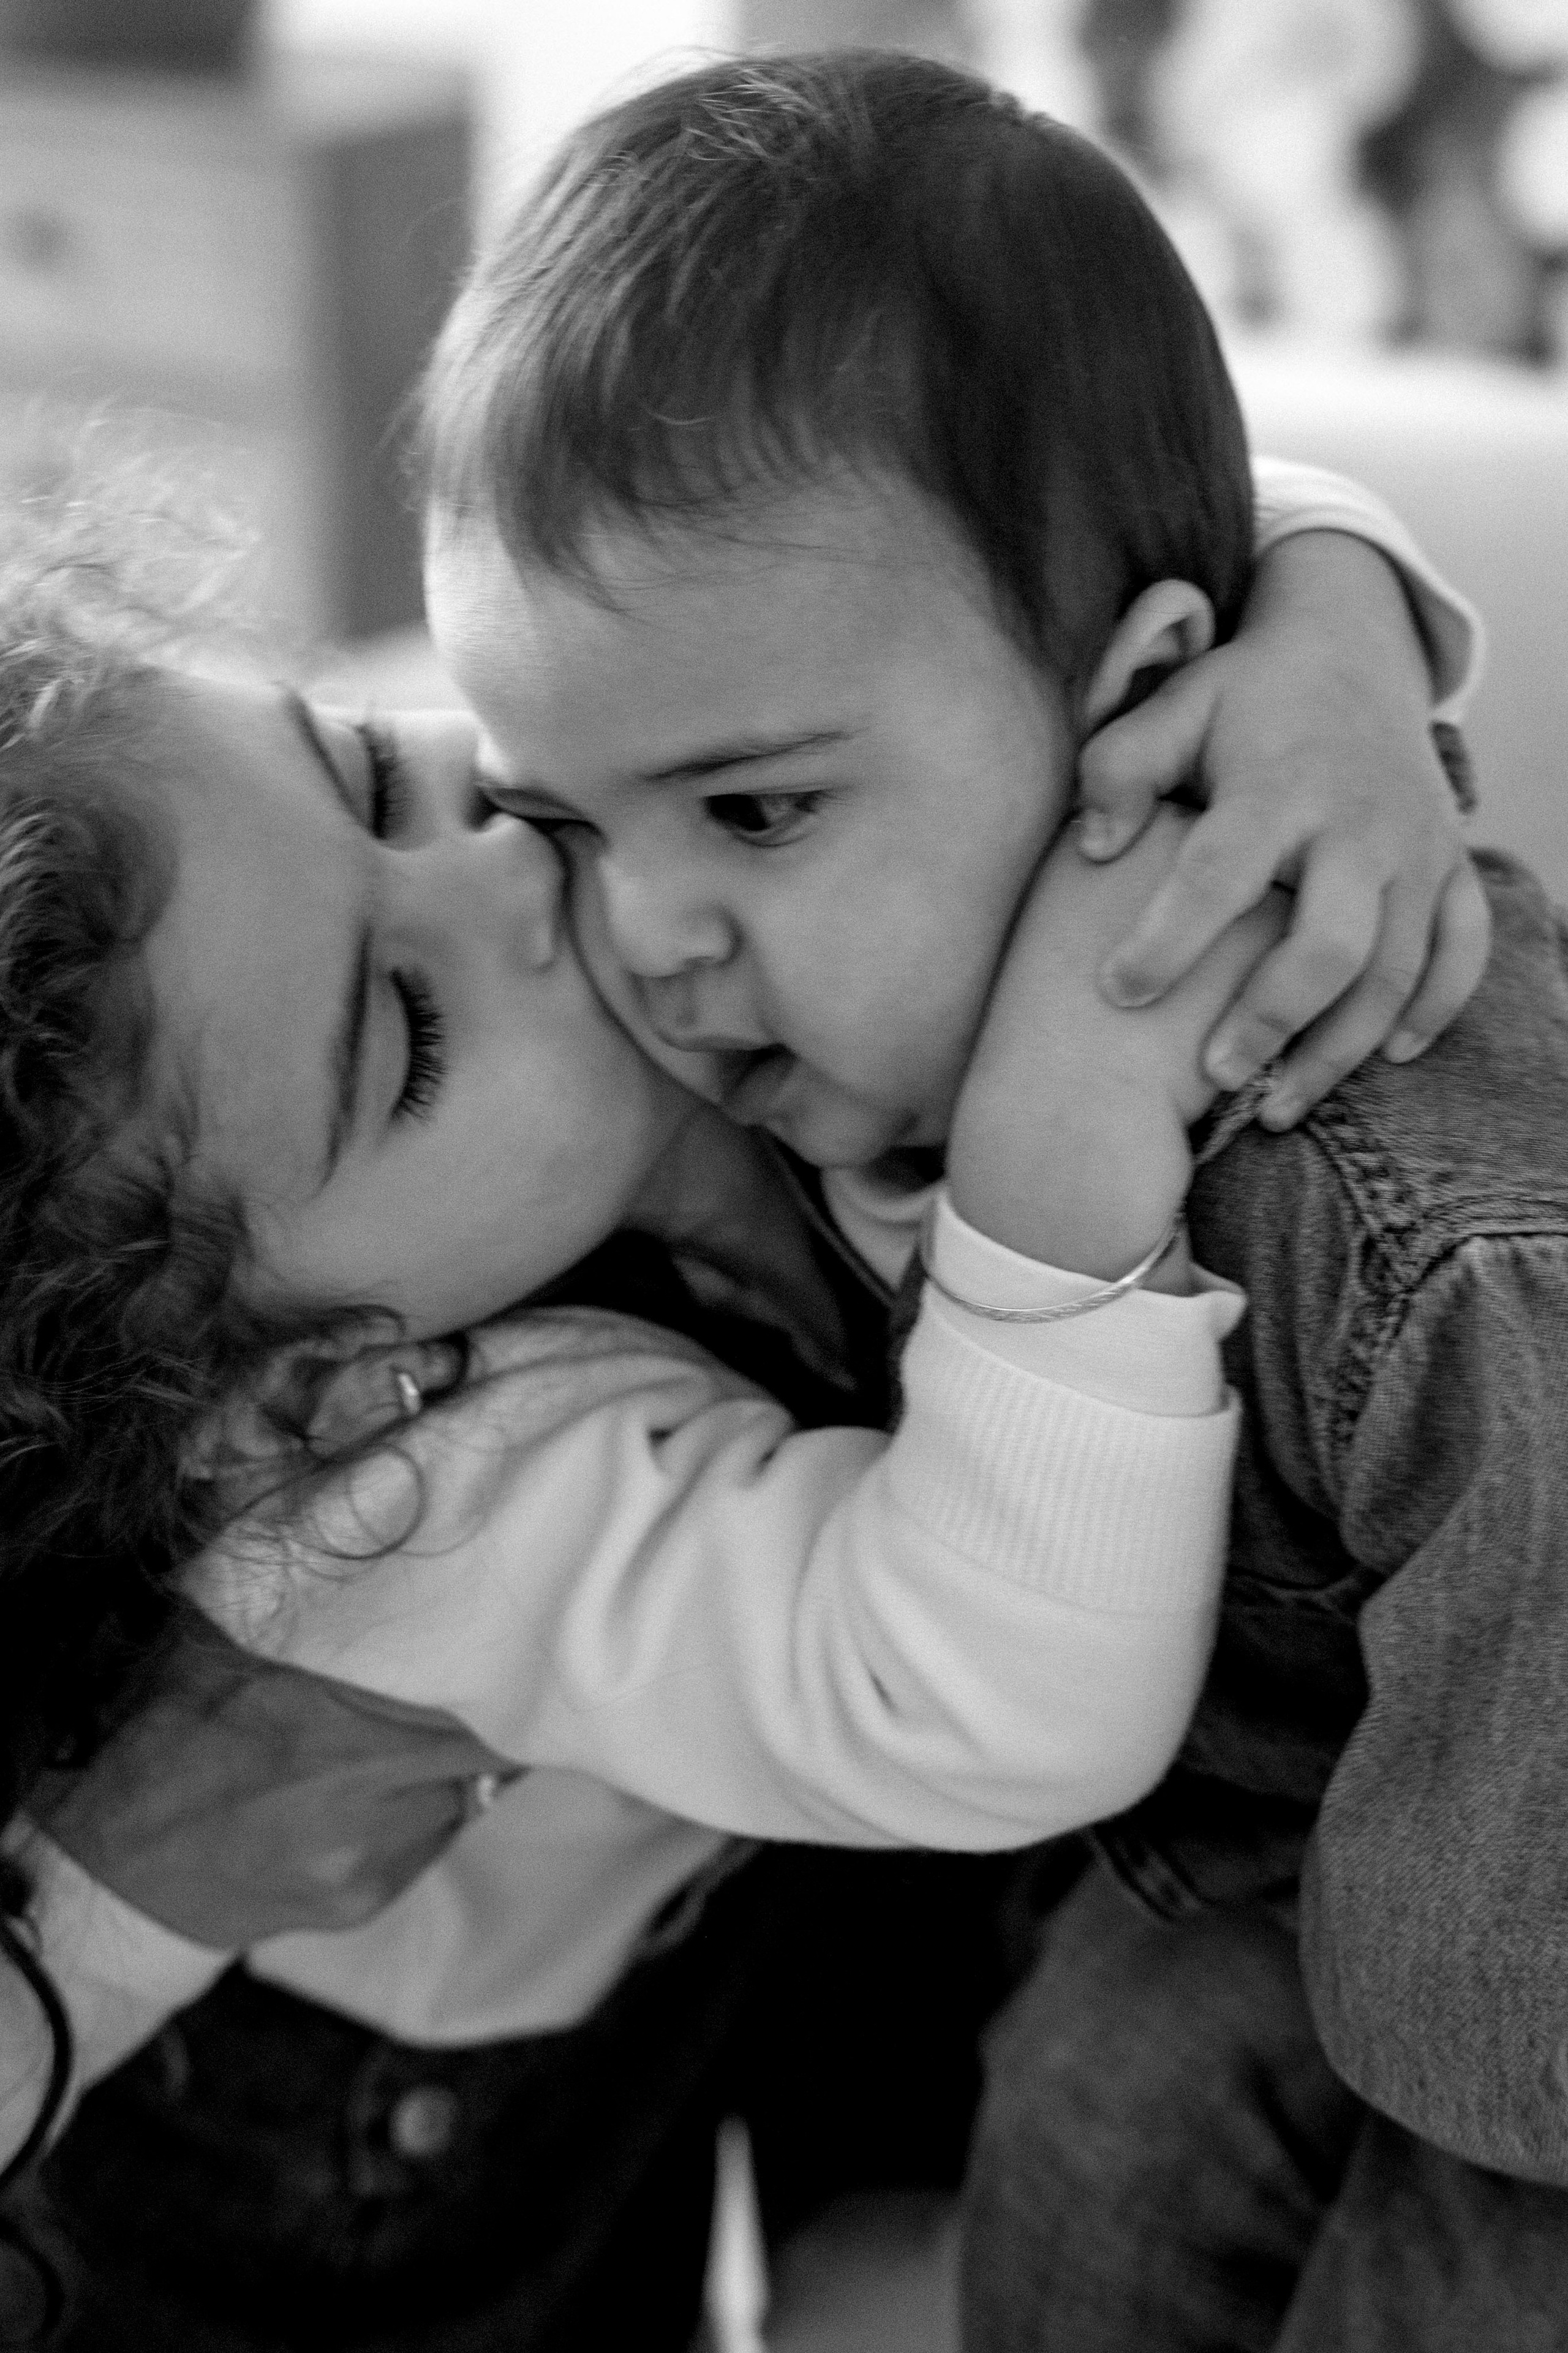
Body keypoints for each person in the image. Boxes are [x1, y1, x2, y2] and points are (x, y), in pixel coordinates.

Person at [416, 51, 1568, 2349]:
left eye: (750, 814)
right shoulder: (824, 1003)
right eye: (555, 821)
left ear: (1152, 719)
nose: (641, 938)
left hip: (1526, 1969)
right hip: (1264, 1865)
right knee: (1096, 2105)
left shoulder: (1380, 1170)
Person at [0, 478, 1268, 2349]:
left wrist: (1318, 619)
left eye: (369, 771)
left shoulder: (583, 985)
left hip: (670, 1988)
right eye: (410, 1035)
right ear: (314, 1385)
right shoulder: (421, 1495)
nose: (512, 871)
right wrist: (1060, 1151)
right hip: (345, 2174)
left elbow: (936, 539)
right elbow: (980, 1692)